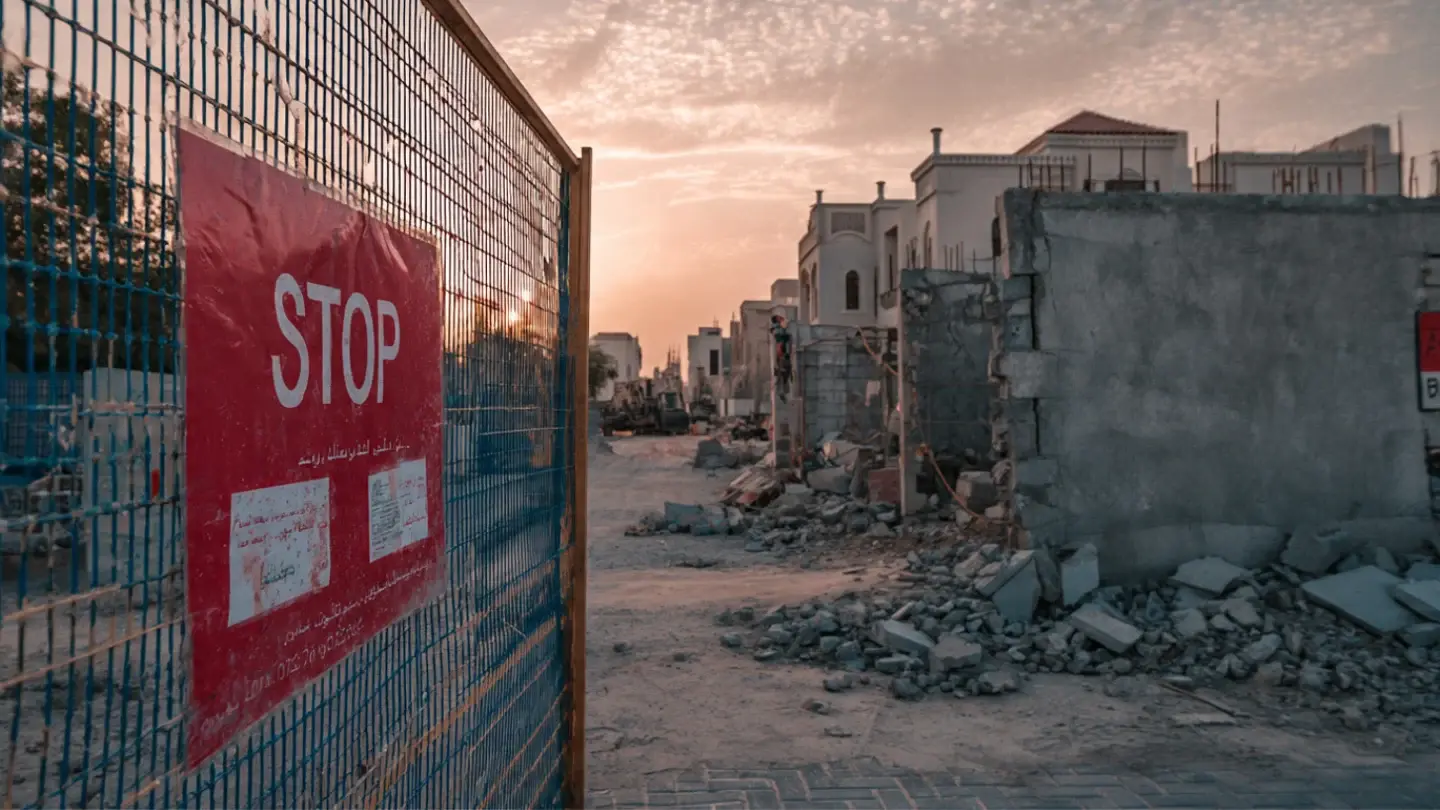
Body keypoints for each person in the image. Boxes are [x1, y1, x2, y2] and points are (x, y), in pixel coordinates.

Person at [770, 314, 792, 401]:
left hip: (781, 353)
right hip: (781, 353)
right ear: (776, 320)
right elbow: (781, 336)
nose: (781, 318)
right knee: (783, 373)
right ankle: (783, 392)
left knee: (783, 373)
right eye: (779, 318)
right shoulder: (777, 329)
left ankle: (784, 392)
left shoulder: (777, 329)